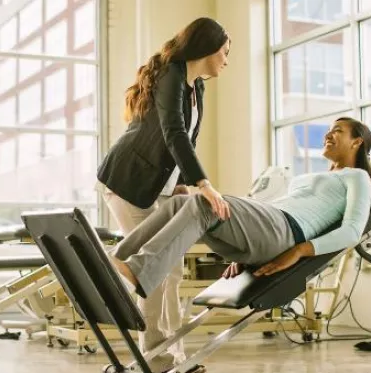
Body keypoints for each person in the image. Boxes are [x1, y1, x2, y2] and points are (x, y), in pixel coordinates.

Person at [109, 117, 371, 303]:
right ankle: (114, 261)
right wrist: (244, 233)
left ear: (357, 142)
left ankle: (137, 272)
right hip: (266, 231)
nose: (328, 134)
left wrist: (299, 251)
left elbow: (352, 231)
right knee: (181, 202)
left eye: (338, 130)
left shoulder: (358, 177)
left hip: (285, 233)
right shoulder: (316, 176)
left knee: (205, 203)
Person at [96, 17, 231, 373]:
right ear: (208, 47)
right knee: (154, 270)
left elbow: (187, 138)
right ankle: (158, 360)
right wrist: (205, 184)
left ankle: (173, 357)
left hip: (161, 186)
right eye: (225, 52)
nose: (226, 61)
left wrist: (182, 183)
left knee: (171, 271)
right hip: (129, 181)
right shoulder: (172, 74)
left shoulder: (196, 85)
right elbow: (174, 133)